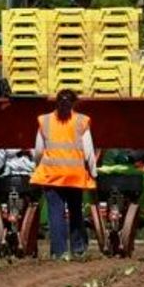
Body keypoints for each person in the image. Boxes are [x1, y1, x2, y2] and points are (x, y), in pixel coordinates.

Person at [30, 89, 97, 259]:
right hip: (74, 176)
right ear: (74, 103)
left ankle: (59, 252)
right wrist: (93, 172)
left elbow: (38, 151)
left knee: (55, 214)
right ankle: (78, 249)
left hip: (52, 175)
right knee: (76, 211)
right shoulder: (81, 121)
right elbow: (89, 151)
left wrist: (39, 166)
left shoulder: (45, 121)